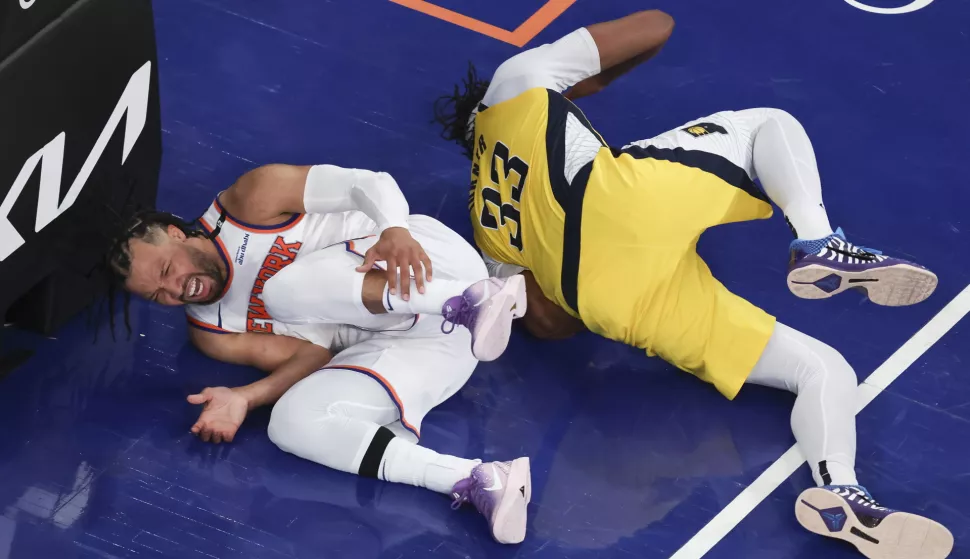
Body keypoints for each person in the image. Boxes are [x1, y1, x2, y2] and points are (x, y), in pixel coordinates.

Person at [433, 10, 952, 558]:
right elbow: (656, 25)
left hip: (606, 299)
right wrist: (588, 78)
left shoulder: (483, 228)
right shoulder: (519, 79)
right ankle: (819, 241)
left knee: (822, 368)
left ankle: (840, 493)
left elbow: (546, 323)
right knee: (767, 124)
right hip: (608, 201)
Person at [108, 163, 530, 544]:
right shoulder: (212, 330)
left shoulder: (249, 201)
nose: (175, 290)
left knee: (283, 293)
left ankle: (470, 298)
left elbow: (370, 183)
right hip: (435, 348)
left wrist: (394, 230)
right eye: (157, 295)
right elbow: (312, 355)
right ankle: (479, 480)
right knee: (291, 423)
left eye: (166, 271)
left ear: (178, 234)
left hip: (427, 265)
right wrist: (244, 398)